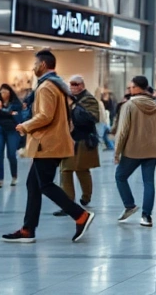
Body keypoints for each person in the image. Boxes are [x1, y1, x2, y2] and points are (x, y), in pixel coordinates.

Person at [2, 49, 95, 244]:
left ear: (43, 65)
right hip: (54, 141)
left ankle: (80, 215)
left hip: (48, 143)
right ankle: (28, 229)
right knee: (33, 185)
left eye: (35, 64)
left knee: (45, 184)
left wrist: (25, 126)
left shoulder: (45, 87)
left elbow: (45, 115)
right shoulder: (57, 84)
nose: (33, 67)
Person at [115, 76, 156, 228]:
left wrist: (117, 152)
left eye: (131, 87)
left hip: (132, 150)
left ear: (136, 88)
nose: (130, 89)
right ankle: (146, 216)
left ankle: (129, 205)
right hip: (151, 150)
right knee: (148, 182)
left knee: (120, 176)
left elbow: (122, 131)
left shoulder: (129, 105)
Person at [54, 75, 101, 215]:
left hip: (82, 139)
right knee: (65, 171)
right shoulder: (67, 99)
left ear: (82, 85)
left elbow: (91, 118)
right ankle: (68, 203)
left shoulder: (88, 99)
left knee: (82, 170)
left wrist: (74, 106)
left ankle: (86, 197)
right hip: (68, 139)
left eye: (76, 84)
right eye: (71, 84)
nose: (73, 87)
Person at [0, 84, 23, 188]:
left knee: (11, 155)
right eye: (2, 91)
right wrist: (9, 113)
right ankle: (0, 179)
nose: (4, 93)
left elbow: (18, 116)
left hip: (12, 131)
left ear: (10, 92)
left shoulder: (16, 103)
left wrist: (2, 112)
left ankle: (14, 176)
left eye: (6, 91)